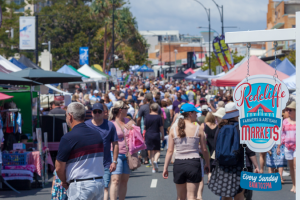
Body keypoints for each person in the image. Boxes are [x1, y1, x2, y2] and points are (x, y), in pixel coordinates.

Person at [208, 102, 259, 200]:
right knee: (239, 196)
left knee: (225, 196)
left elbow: (215, 146)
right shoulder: (241, 128)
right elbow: (249, 150)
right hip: (240, 166)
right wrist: (256, 165)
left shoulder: (220, 128)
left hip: (223, 167)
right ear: (237, 114)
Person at [56, 102, 105, 200]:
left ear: (70, 116)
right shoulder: (97, 134)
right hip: (99, 183)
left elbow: (58, 168)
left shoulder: (68, 138)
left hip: (80, 185)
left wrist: (65, 181)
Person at [163, 103, 210, 200]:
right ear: (190, 114)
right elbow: (204, 150)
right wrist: (207, 163)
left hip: (179, 163)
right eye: (195, 113)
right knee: (192, 196)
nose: (197, 115)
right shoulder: (198, 128)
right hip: (193, 163)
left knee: (180, 197)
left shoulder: (174, 130)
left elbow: (170, 151)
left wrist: (165, 168)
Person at [85, 103, 119, 200]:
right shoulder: (86, 125)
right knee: (91, 190)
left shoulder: (110, 125)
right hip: (89, 164)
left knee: (104, 187)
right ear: (92, 113)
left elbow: (115, 144)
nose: (97, 113)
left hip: (105, 163)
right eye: (95, 111)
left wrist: (115, 161)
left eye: (99, 111)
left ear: (103, 113)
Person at [108, 101, 135, 200]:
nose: (127, 109)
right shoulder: (111, 123)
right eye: (126, 108)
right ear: (120, 109)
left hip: (127, 154)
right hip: (115, 154)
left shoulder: (128, 120)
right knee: (115, 180)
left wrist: (132, 123)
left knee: (124, 181)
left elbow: (135, 130)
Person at [280, 101, 296, 193]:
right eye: (287, 110)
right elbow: (282, 134)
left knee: (295, 166)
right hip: (287, 146)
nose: (288, 111)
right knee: (291, 167)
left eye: (290, 110)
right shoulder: (285, 121)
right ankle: (294, 185)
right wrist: (279, 146)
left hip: (297, 147)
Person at [144, 103, 164, 173]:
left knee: (151, 152)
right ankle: (155, 161)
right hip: (156, 134)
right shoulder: (159, 117)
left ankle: (153, 168)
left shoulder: (147, 116)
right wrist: (163, 135)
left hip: (148, 134)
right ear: (158, 109)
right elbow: (161, 127)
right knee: (158, 151)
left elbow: (144, 126)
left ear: (151, 108)